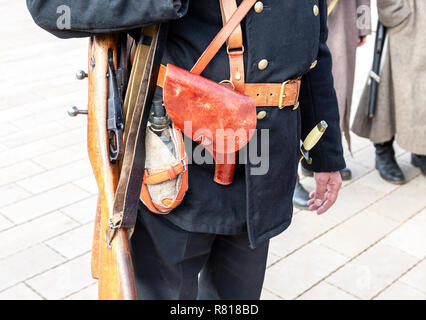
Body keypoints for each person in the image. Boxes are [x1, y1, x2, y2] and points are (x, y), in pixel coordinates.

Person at [129, 0, 345, 300]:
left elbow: (313, 60)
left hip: (264, 172)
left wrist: (325, 155)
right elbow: (55, 10)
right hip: (184, 167)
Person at [294, 0, 371, 210]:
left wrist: (362, 22)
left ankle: (317, 154)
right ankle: (290, 174)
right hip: (293, 12)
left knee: (335, 89)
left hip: (342, 17)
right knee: (288, 91)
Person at [352, 0, 426, 184]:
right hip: (408, 16)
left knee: (424, 90)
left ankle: (420, 148)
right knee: (389, 83)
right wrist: (394, 9)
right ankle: (383, 148)